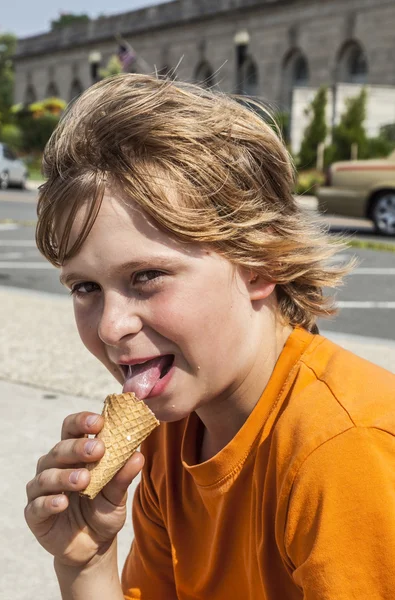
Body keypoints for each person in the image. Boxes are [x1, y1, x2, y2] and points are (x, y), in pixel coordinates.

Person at [25, 74, 395, 599]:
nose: (111, 326)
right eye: (85, 287)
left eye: (146, 277)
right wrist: (85, 563)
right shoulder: (169, 444)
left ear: (259, 265)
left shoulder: (343, 452)